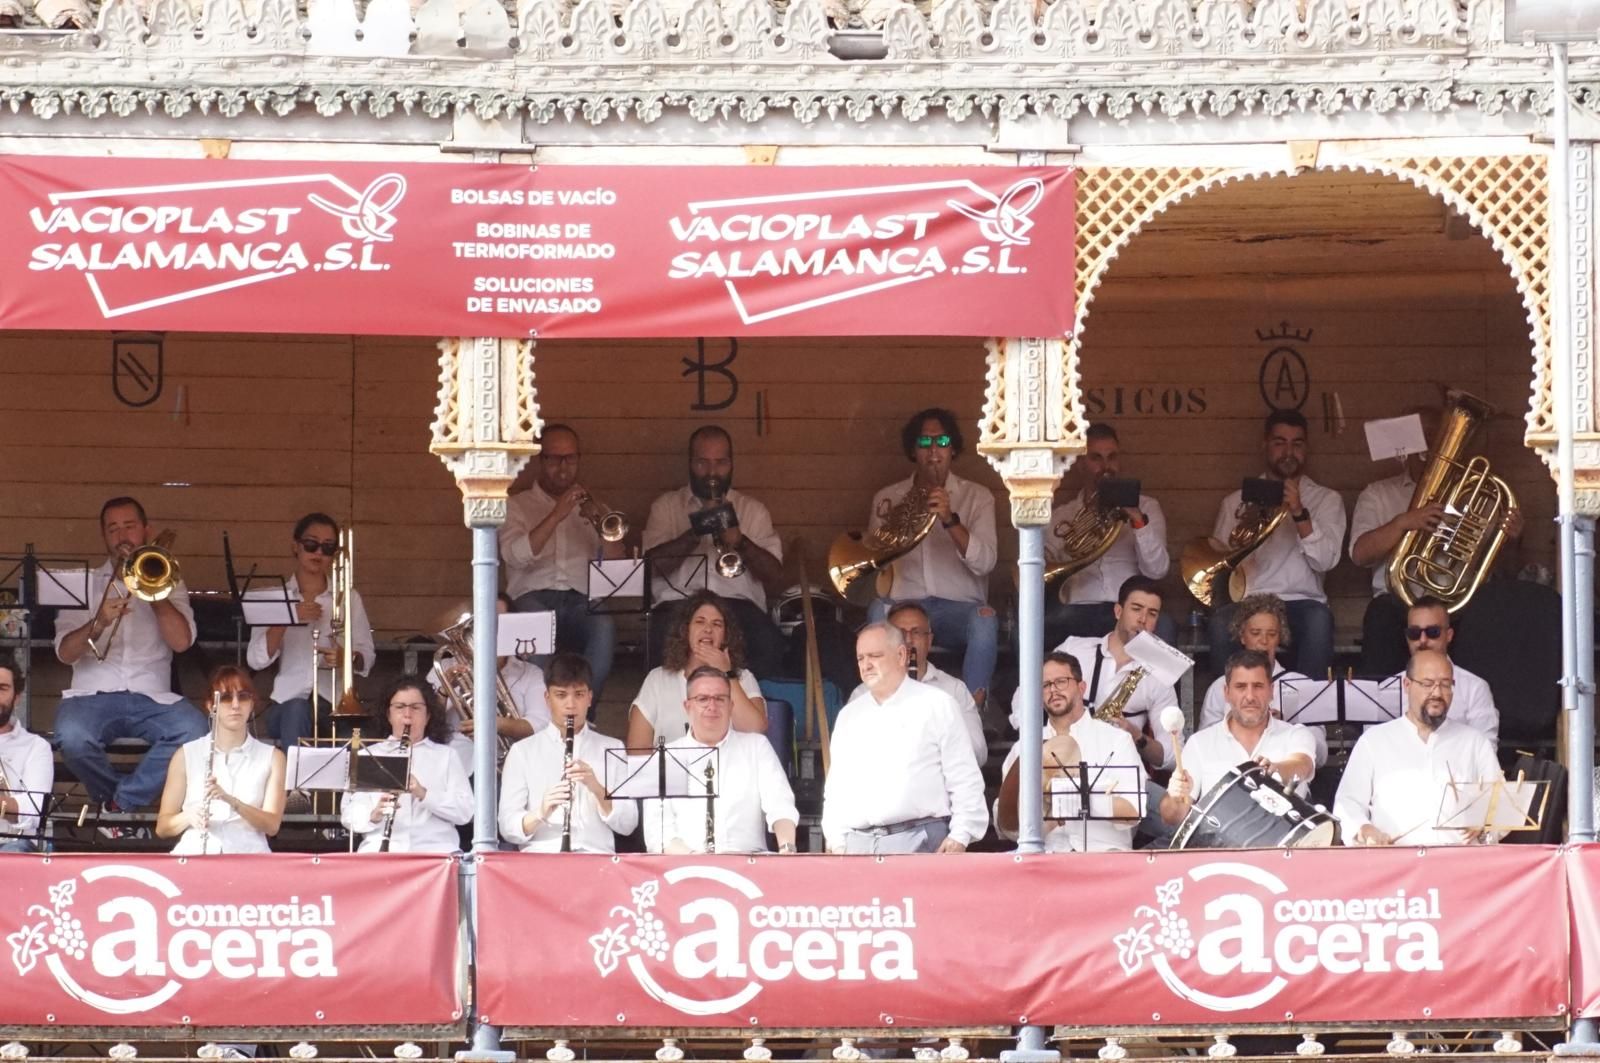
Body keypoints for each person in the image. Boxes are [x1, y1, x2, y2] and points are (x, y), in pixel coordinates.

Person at [53, 496, 207, 812]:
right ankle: (119, 806)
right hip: (92, 695)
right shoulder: (82, 584)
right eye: (113, 529)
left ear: (146, 530)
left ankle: (119, 806)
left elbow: (182, 643)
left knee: (196, 732)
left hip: (152, 695)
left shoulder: (169, 580)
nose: (122, 537)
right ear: (104, 536)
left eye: (130, 527)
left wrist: (153, 593)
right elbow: (65, 653)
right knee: (71, 737)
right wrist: (97, 624)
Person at [1350, 411, 1523, 675]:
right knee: (1380, 615)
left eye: (1441, 439)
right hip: (1399, 602)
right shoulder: (1378, 494)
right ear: (1406, 449)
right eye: (1423, 440)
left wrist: (1512, 539)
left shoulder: (1477, 494)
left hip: (1458, 603)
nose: (1431, 448)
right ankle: (1380, 710)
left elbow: (1507, 571)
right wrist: (1403, 523)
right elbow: (1360, 554)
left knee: (1492, 615)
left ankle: (1479, 707)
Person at [866, 408, 999, 706]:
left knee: (986, 621)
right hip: (904, 605)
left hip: (959, 610)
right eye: (924, 443)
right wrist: (900, 526)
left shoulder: (977, 497)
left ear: (954, 449)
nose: (934, 451)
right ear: (913, 451)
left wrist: (950, 520)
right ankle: (883, 701)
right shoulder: (888, 498)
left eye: (942, 441)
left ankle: (971, 711)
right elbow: (876, 565)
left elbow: (986, 562)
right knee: (877, 611)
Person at [820, 623, 987, 854]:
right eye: (860, 658)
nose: (866, 665)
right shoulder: (849, 715)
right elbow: (836, 788)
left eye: (875, 656)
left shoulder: (937, 704)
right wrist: (836, 840)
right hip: (857, 845)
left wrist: (961, 834)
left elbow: (964, 776)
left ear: (901, 655)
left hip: (921, 838)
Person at [1205, 410, 1346, 679]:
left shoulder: (1327, 500)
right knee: (1221, 622)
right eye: (1280, 443)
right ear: (1265, 445)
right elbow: (1219, 570)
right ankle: (1226, 708)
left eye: (1297, 444)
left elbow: (1326, 561)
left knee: (1319, 621)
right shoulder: (1235, 502)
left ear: (1307, 448)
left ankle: (1310, 716)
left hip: (1301, 602)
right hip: (1249, 602)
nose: (1288, 452)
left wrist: (1299, 513)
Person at [643, 425, 785, 676]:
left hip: (738, 607)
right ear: (690, 463)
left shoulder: (753, 510)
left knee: (768, 643)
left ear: (731, 463)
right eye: (702, 463)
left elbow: (774, 577)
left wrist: (740, 541)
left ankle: (752, 709)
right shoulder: (665, 507)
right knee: (659, 639)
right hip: (678, 605)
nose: (712, 473)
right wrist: (697, 529)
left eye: (720, 463)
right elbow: (650, 569)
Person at [499, 424, 623, 696]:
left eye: (570, 458)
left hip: (581, 600)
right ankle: (545, 711)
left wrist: (605, 532)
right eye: (554, 458)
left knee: (604, 625)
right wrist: (557, 514)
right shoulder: (516, 505)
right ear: (540, 460)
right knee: (533, 621)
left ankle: (585, 710)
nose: (563, 466)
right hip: (532, 597)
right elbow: (514, 556)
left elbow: (616, 572)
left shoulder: (596, 508)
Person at [1335, 648, 1504, 846]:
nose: (1437, 693)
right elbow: (1347, 803)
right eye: (1427, 684)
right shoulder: (1373, 741)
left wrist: (1484, 825)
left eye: (1445, 684)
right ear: (1407, 685)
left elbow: (1501, 806)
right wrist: (1365, 829)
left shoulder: (1474, 743)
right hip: (1395, 865)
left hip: (1459, 864)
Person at [246, 512, 375, 752]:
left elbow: (367, 654)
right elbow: (256, 660)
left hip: (334, 704)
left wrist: (346, 657)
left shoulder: (349, 597)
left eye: (327, 548)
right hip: (286, 704)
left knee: (361, 736)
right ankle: (297, 790)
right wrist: (287, 616)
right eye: (311, 544)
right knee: (297, 710)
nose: (318, 553)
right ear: (295, 546)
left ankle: (344, 792)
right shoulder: (275, 598)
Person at [995, 652, 1144, 852]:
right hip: (1046, 858)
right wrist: (1045, 815)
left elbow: (1134, 809)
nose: (1053, 690)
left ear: (1081, 688)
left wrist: (1078, 800)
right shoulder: (1024, 747)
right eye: (1045, 685)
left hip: (1103, 856)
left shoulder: (1117, 740)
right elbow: (1007, 823)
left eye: (1061, 681)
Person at [1045, 423, 1174, 646]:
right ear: (1080, 464)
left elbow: (1157, 570)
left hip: (1130, 608)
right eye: (1096, 458)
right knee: (1030, 629)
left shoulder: (1148, 507)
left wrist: (1137, 520)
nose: (1106, 466)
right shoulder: (1062, 516)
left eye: (1112, 457)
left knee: (1165, 626)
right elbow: (1044, 570)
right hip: (1079, 608)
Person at [498, 653, 638, 853]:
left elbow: (628, 824)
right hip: (541, 859)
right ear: (547, 698)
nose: (570, 705)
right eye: (561, 695)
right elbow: (507, 828)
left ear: (590, 698)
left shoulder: (612, 748)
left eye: (579, 694)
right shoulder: (522, 752)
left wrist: (597, 788)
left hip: (596, 859)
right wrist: (542, 810)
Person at [1160, 650, 1318, 826]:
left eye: (1258, 686)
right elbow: (1171, 818)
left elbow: (1302, 764)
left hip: (1284, 849)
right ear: (1226, 693)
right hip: (1221, 849)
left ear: (1271, 691)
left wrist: (1276, 769)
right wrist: (1175, 796)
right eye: (1240, 687)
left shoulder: (1295, 734)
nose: (1250, 696)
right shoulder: (1199, 743)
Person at [654, 667, 799, 854]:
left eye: (720, 699)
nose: (712, 706)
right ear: (687, 706)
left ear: (731, 706)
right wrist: (697, 863)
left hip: (749, 865)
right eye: (702, 699)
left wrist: (787, 848)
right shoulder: (666, 757)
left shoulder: (756, 747)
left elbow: (781, 805)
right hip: (685, 869)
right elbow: (658, 832)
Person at [1043, 576, 1175, 771]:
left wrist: (1136, 735)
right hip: (1061, 765)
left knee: (1167, 802)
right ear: (1118, 611)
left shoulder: (1159, 675)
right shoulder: (1074, 649)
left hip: (1120, 772)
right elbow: (1025, 697)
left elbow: (1170, 757)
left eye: (1152, 614)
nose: (1143, 620)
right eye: (1136, 609)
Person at [155, 666, 286, 854]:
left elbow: (272, 825)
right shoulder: (186, 754)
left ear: (251, 704)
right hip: (196, 854)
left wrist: (232, 801)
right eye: (225, 698)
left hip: (249, 856)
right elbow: (163, 827)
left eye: (243, 697)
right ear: (211, 706)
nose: (235, 705)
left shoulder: (273, 757)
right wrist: (188, 817)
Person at [340, 677, 473, 853]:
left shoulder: (446, 756)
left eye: (416, 707)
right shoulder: (370, 756)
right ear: (388, 715)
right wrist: (375, 814)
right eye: (400, 707)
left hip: (436, 853)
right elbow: (348, 815)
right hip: (380, 854)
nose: (408, 714)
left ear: (428, 716)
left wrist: (423, 793)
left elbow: (465, 812)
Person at [625, 591, 767, 750]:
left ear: (725, 636)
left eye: (717, 624)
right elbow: (637, 748)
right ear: (685, 631)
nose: (708, 629)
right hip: (669, 773)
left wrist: (728, 674)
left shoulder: (743, 678)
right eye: (700, 622)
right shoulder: (657, 679)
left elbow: (755, 731)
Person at [1196, 593, 1325, 768]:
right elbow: (1204, 746)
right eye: (1255, 633)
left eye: (1271, 634)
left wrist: (1284, 726)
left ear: (1279, 638)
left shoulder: (1302, 685)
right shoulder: (1220, 686)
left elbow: (1321, 755)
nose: (1263, 641)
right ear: (1242, 636)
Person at [849, 601, 986, 766]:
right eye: (900, 633)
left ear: (929, 640)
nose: (908, 640)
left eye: (916, 632)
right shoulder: (863, 693)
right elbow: (851, 752)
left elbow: (978, 751)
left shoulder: (954, 690)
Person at [430, 593, 545, 775]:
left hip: (510, 769)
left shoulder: (531, 674)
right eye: (482, 621)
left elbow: (539, 724)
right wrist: (445, 691)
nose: (491, 629)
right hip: (454, 766)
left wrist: (494, 724)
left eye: (499, 623)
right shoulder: (445, 667)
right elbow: (423, 719)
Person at [1391, 596, 1499, 746]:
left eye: (1432, 632)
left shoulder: (1475, 688)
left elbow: (1485, 751)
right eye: (1414, 633)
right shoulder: (1388, 686)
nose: (1422, 640)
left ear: (1449, 636)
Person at [0, 658, 52, 853]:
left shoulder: (36, 747)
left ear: (17, 697)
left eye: (2, 688)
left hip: (10, 845)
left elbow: (35, 811)